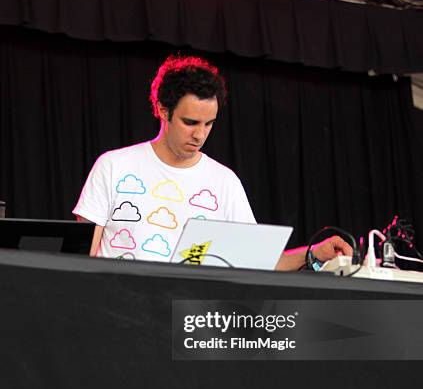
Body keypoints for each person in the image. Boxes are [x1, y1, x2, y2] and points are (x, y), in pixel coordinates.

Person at [73, 55, 352, 270]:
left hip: (185, 319)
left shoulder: (224, 181)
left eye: (209, 124)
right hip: (116, 314)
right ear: (162, 109)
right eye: (190, 122)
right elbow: (79, 258)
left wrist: (312, 254)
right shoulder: (114, 166)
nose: (200, 134)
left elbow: (256, 260)